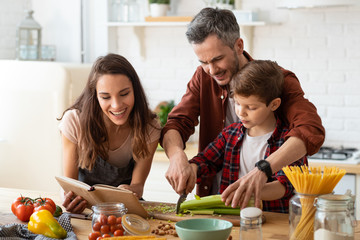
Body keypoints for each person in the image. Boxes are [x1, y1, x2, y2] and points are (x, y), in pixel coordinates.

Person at [161, 8, 325, 209]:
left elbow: (310, 129)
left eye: (217, 59)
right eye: (203, 62)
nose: (211, 70)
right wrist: (178, 157)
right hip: (219, 203)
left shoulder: (276, 81)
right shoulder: (203, 77)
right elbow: (177, 123)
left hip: (269, 210)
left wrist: (263, 171)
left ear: (238, 45)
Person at [189, 60, 307, 213]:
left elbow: (285, 185)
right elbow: (206, 161)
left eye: (251, 107)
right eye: (237, 103)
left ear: (274, 104)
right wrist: (191, 169)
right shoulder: (229, 134)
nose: (241, 112)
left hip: (272, 221)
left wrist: (247, 190)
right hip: (231, 220)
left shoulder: (289, 142)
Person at [58, 53, 161, 213]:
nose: (116, 105)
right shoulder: (74, 121)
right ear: (95, 96)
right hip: (85, 211)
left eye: (124, 94)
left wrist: (132, 190)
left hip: (126, 210)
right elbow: (70, 184)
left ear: (135, 90)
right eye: (105, 97)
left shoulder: (149, 127)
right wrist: (69, 198)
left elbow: (138, 186)